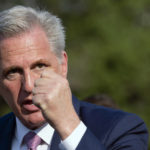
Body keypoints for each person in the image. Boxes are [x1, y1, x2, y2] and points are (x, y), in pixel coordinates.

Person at [0, 6, 148, 150]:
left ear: (63, 65)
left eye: (39, 66)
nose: (29, 85)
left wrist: (68, 126)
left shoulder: (120, 129)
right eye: (13, 72)